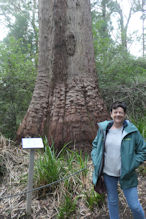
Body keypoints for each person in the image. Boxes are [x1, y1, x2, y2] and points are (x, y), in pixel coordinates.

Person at [91, 101, 146, 219]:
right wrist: (96, 159)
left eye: (120, 112)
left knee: (134, 205)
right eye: (115, 112)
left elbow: (143, 150)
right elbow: (95, 145)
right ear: (111, 114)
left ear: (124, 114)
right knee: (112, 201)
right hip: (108, 173)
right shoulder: (103, 130)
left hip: (127, 173)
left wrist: (133, 163)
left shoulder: (132, 131)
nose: (118, 115)